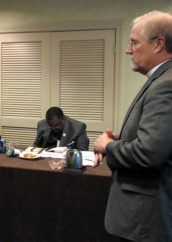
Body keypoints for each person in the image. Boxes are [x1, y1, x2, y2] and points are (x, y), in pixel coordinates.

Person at [93, 11, 172, 242]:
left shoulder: (164, 86)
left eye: (134, 42)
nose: (128, 49)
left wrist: (108, 146)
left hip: (146, 219)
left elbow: (149, 154)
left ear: (158, 44)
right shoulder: (161, 80)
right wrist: (117, 140)